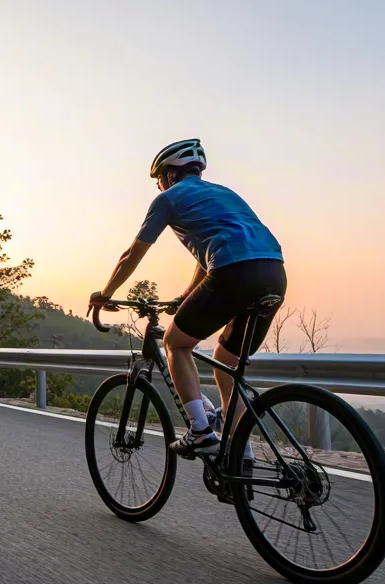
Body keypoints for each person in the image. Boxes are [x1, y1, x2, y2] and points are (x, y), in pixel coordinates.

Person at [89, 138, 286, 456]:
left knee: (175, 343)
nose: (159, 187)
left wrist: (105, 294)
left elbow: (131, 256)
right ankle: (240, 455)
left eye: (158, 181)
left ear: (168, 175)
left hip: (234, 270)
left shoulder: (169, 199)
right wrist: (186, 295)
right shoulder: (225, 194)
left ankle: (200, 431)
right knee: (227, 363)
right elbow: (205, 256)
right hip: (274, 272)